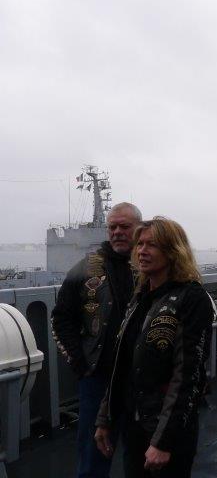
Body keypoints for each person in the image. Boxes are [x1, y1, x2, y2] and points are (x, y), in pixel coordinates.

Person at [94, 217, 214, 478]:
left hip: (165, 428)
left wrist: (164, 441)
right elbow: (122, 365)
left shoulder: (192, 299)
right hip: (134, 423)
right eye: (140, 244)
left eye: (152, 245)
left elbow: (188, 375)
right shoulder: (140, 298)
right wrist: (105, 418)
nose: (142, 251)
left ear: (173, 251)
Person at [52, 202, 141, 478]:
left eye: (124, 226)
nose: (117, 232)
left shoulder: (150, 266)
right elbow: (61, 318)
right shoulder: (86, 268)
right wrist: (80, 364)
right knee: (93, 456)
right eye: (112, 227)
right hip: (98, 377)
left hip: (142, 378)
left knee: (141, 453)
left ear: (139, 228)